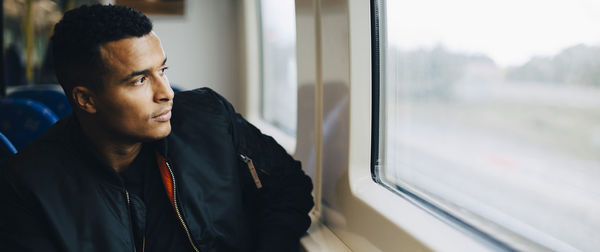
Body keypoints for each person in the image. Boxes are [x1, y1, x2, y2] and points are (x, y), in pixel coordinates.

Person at [0, 4, 313, 252]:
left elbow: (288, 187)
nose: (166, 92)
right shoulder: (28, 186)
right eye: (139, 79)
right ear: (86, 99)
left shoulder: (210, 118)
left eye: (162, 69)